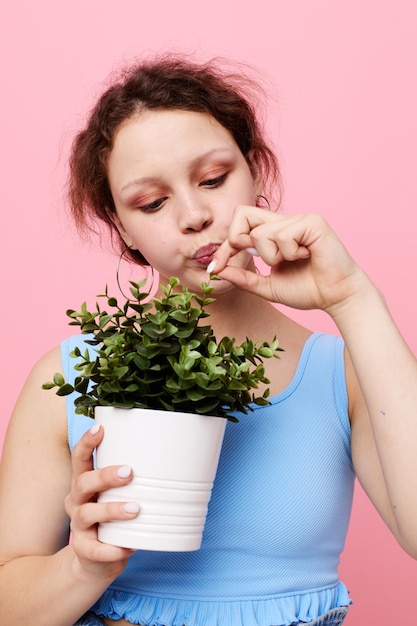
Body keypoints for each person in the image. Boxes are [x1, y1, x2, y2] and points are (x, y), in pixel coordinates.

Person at [0, 53, 416, 626]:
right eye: (152, 202)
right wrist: (83, 566)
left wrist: (352, 298)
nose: (194, 215)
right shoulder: (69, 379)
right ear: (123, 226)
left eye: (214, 179)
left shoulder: (346, 373)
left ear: (256, 171)